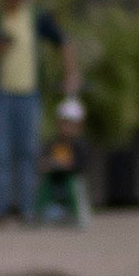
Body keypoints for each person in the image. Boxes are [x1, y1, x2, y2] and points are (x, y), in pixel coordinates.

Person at [0, 0, 73, 225]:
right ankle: (0, 210)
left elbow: (62, 40)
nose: (13, 0)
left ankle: (27, 210)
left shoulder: (36, 18)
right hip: (0, 97)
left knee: (28, 152)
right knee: (0, 153)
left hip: (29, 96)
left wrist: (71, 73)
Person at [35, 96, 91, 228]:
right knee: (44, 183)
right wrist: (48, 164)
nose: (67, 127)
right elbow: (44, 161)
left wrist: (67, 165)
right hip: (55, 178)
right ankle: (40, 214)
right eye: (65, 123)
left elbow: (82, 165)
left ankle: (78, 215)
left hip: (71, 179)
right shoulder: (53, 142)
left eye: (71, 123)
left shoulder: (80, 145)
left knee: (74, 184)